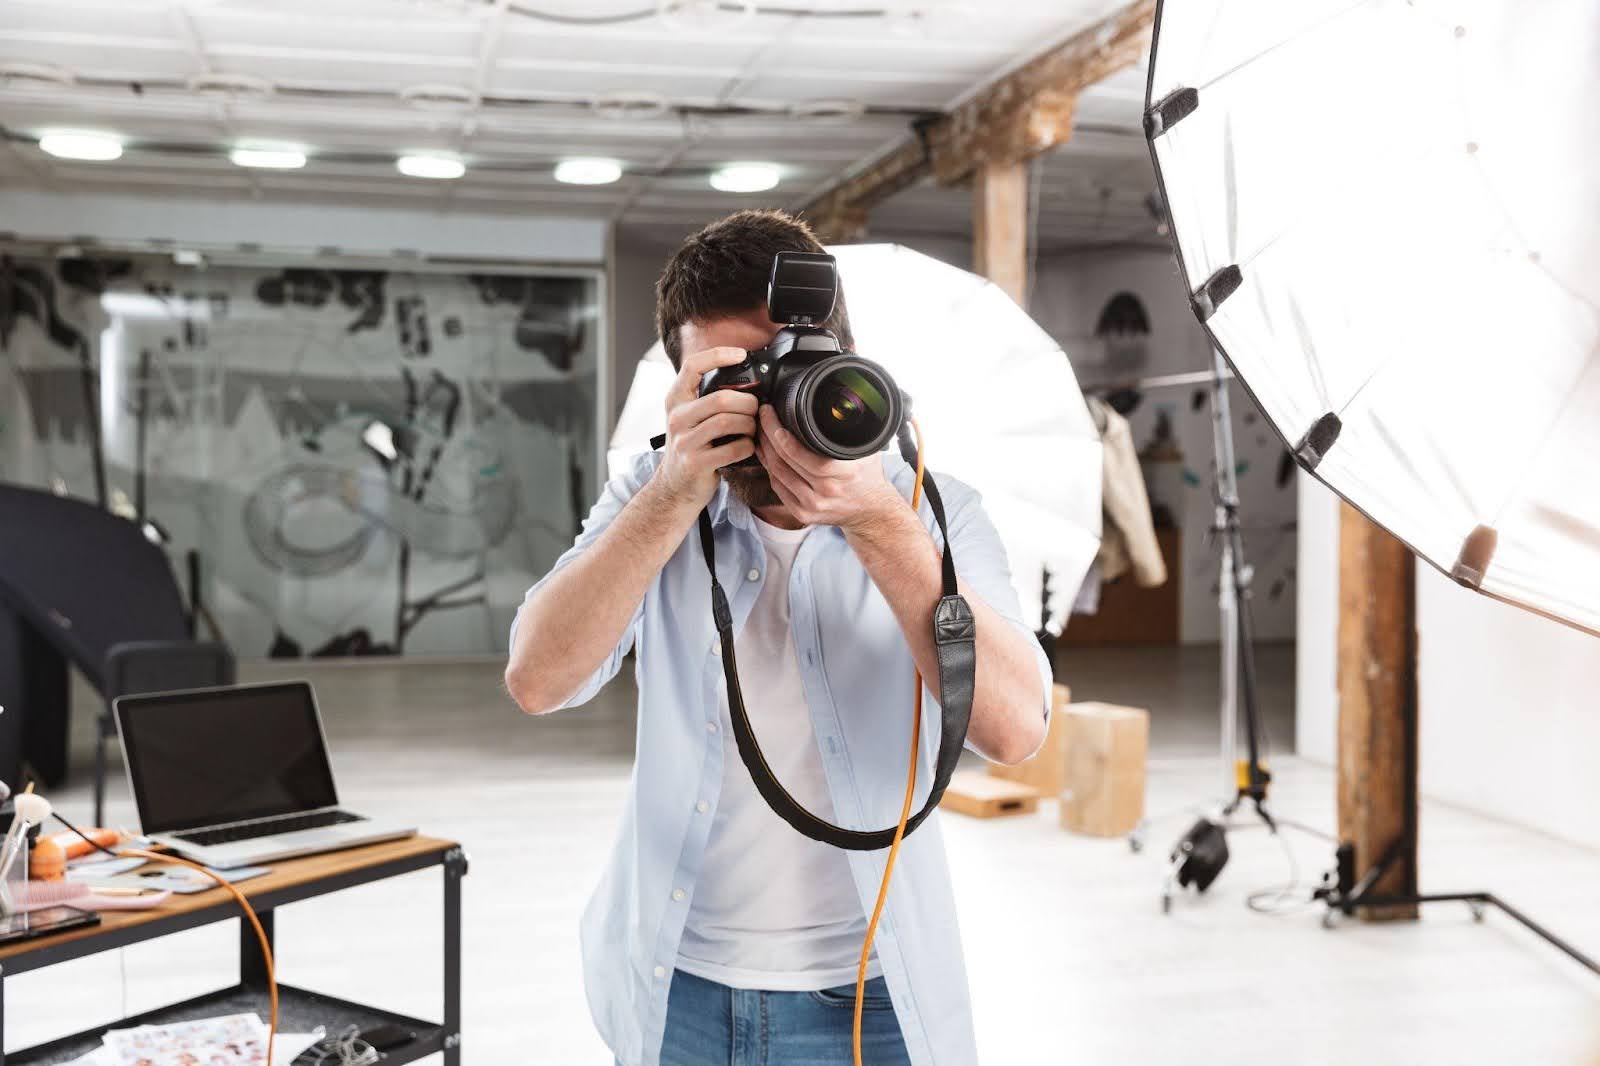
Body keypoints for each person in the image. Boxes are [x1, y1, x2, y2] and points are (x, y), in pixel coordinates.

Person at [506, 209, 1052, 1066]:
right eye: (732, 381)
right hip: (675, 981)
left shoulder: (930, 508)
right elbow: (538, 679)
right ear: (683, 388)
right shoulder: (655, 494)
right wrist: (670, 497)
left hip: (869, 998)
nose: (765, 408)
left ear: (843, 366)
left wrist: (875, 518)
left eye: (786, 372)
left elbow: (1016, 731)